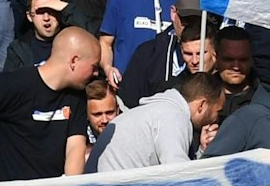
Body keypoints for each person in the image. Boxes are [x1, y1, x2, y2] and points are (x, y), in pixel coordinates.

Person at [0, 24, 102, 183]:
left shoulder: (77, 97)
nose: (96, 74)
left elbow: (75, 147)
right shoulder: (15, 84)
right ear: (74, 60)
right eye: (94, 67)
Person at [89, 72, 227, 172]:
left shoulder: (159, 111)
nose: (216, 118)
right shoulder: (172, 116)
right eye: (217, 111)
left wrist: (203, 150)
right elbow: (179, 174)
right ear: (202, 105)